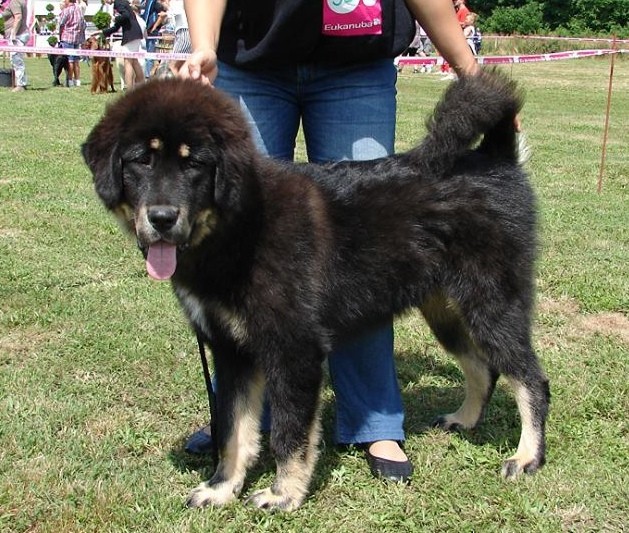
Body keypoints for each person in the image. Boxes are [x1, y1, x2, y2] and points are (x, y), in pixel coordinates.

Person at [178, 0, 479, 483]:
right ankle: (243, 421)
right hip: (249, 62)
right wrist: (204, 45)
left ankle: (373, 420)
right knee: (243, 255)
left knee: (370, 255)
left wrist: (469, 71)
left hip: (355, 64)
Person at [100, 0, 144, 88]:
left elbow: (126, 16)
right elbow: (117, 26)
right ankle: (141, 86)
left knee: (128, 62)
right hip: (135, 33)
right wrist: (103, 32)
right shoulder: (122, 2)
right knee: (134, 61)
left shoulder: (118, 3)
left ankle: (130, 90)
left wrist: (115, 18)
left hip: (130, 35)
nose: (105, 2)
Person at [2, 0, 29, 92]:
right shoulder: (20, 2)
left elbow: (18, 17)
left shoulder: (14, 2)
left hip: (18, 35)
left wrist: (13, 33)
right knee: (17, 59)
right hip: (21, 33)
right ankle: (19, 83)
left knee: (16, 59)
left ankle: (20, 85)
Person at [58, 0, 86, 87]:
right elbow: (83, 24)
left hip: (67, 37)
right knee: (76, 61)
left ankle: (70, 80)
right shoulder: (79, 9)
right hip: (77, 38)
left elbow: (61, 23)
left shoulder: (66, 10)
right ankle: (77, 80)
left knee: (70, 61)